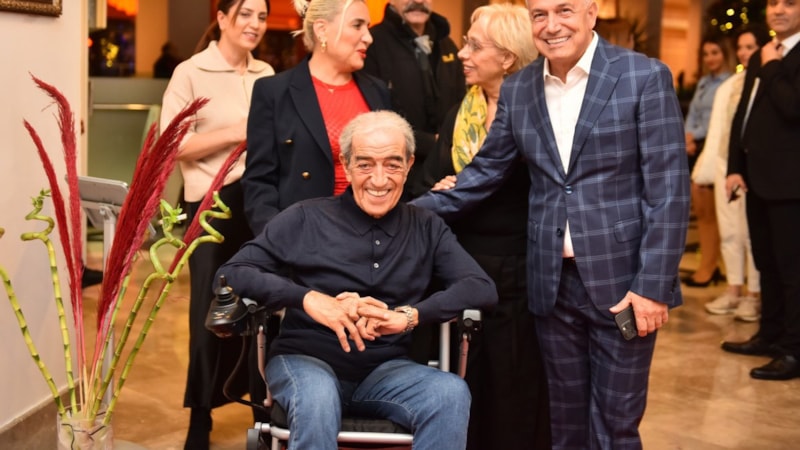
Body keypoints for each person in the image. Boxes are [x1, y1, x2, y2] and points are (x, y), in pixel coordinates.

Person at [411, 0, 690, 448]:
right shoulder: (521, 89)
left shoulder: (643, 76)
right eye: (539, 14)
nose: (551, 25)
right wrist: (405, 213)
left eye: (564, 11)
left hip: (624, 286)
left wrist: (653, 287)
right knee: (563, 424)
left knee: (615, 426)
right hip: (551, 286)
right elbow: (483, 175)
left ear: (591, 13)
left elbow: (669, 192)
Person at [217, 110, 498, 450]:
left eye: (392, 165)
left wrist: (407, 317)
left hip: (386, 372)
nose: (379, 180)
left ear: (409, 165)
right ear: (346, 166)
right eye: (365, 165)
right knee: (318, 397)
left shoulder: (426, 226)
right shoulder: (306, 217)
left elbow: (480, 287)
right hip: (305, 361)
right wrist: (310, 299)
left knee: (450, 393)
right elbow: (232, 273)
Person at [411, 4, 548, 449]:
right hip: (461, 264)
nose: (463, 54)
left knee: (514, 378)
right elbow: (429, 179)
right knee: (465, 376)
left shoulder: (540, 115)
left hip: (519, 268)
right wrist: (441, 186)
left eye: (474, 45)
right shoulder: (460, 112)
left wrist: (462, 188)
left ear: (507, 57)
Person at [158, 1, 273, 448]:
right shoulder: (190, 72)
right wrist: (238, 132)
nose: (255, 24)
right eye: (245, 14)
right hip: (211, 205)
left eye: (261, 16)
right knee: (210, 313)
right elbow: (173, 146)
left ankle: (262, 409)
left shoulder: (266, 74)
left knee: (260, 309)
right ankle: (201, 416)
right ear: (222, 18)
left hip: (259, 202)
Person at [242, 0, 390, 235]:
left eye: (368, 27)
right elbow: (259, 183)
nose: (368, 37)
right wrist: (277, 240)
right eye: (357, 25)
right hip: (305, 237)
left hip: (373, 235)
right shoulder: (274, 92)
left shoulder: (377, 91)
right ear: (322, 30)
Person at [723, 0, 800, 381]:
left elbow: (794, 108)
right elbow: (745, 111)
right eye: (772, 2)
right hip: (757, 178)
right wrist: (734, 167)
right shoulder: (763, 53)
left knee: (792, 271)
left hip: (792, 182)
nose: (778, 10)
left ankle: (794, 349)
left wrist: (772, 67)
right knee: (766, 265)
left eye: (790, 3)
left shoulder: (776, 58)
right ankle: (769, 336)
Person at [694, 26, 770, 320]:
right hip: (726, 163)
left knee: (751, 233)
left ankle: (754, 294)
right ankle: (734, 289)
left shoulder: (769, 80)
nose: (744, 53)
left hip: (754, 167)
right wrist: (709, 166)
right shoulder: (729, 85)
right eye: (740, 47)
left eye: (750, 47)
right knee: (729, 231)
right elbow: (717, 130)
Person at [363, 0, 465, 194]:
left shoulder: (447, 44)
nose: (418, 1)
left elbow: (462, 103)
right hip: (397, 176)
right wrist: (431, 142)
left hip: (446, 176)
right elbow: (372, 115)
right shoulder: (373, 44)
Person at [681, 34, 733, 288]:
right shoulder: (704, 82)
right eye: (706, 53)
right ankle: (707, 266)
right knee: (701, 211)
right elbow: (692, 115)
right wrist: (687, 137)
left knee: (713, 213)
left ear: (725, 54)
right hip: (695, 146)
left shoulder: (730, 83)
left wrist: (696, 136)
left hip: (714, 147)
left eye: (715, 52)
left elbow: (721, 121)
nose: (710, 58)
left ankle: (709, 267)